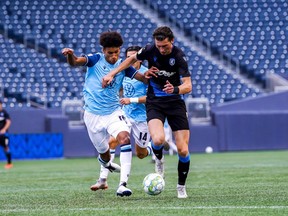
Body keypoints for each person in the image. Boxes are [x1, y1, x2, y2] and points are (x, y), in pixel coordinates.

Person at [102, 26, 192, 198]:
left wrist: (174, 89)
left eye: (164, 46)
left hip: (175, 103)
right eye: (159, 46)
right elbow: (129, 61)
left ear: (171, 41)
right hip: (155, 102)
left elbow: (188, 86)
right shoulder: (150, 50)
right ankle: (159, 160)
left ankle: (181, 187)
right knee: (157, 139)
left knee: (182, 150)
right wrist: (112, 73)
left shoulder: (179, 56)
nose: (161, 49)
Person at [62, 31, 147, 197]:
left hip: (113, 112)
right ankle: (107, 166)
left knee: (124, 138)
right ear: (103, 50)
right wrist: (71, 55)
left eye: (116, 52)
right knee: (105, 154)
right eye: (110, 53)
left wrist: (150, 76)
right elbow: (76, 62)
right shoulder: (95, 59)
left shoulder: (124, 66)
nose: (114, 56)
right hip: (92, 115)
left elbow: (143, 78)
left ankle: (123, 185)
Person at [91, 45, 152, 193]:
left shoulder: (146, 75)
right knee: (112, 142)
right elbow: (120, 89)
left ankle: (152, 147)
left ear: (139, 59)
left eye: (133, 57)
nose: (130, 59)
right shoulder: (124, 71)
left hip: (142, 118)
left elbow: (152, 98)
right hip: (125, 114)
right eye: (128, 57)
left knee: (141, 154)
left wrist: (132, 100)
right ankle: (103, 180)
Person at [0, 100, 13, 169]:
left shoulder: (4, 113)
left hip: (4, 134)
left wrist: (4, 129)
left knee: (6, 147)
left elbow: (8, 122)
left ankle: (9, 163)